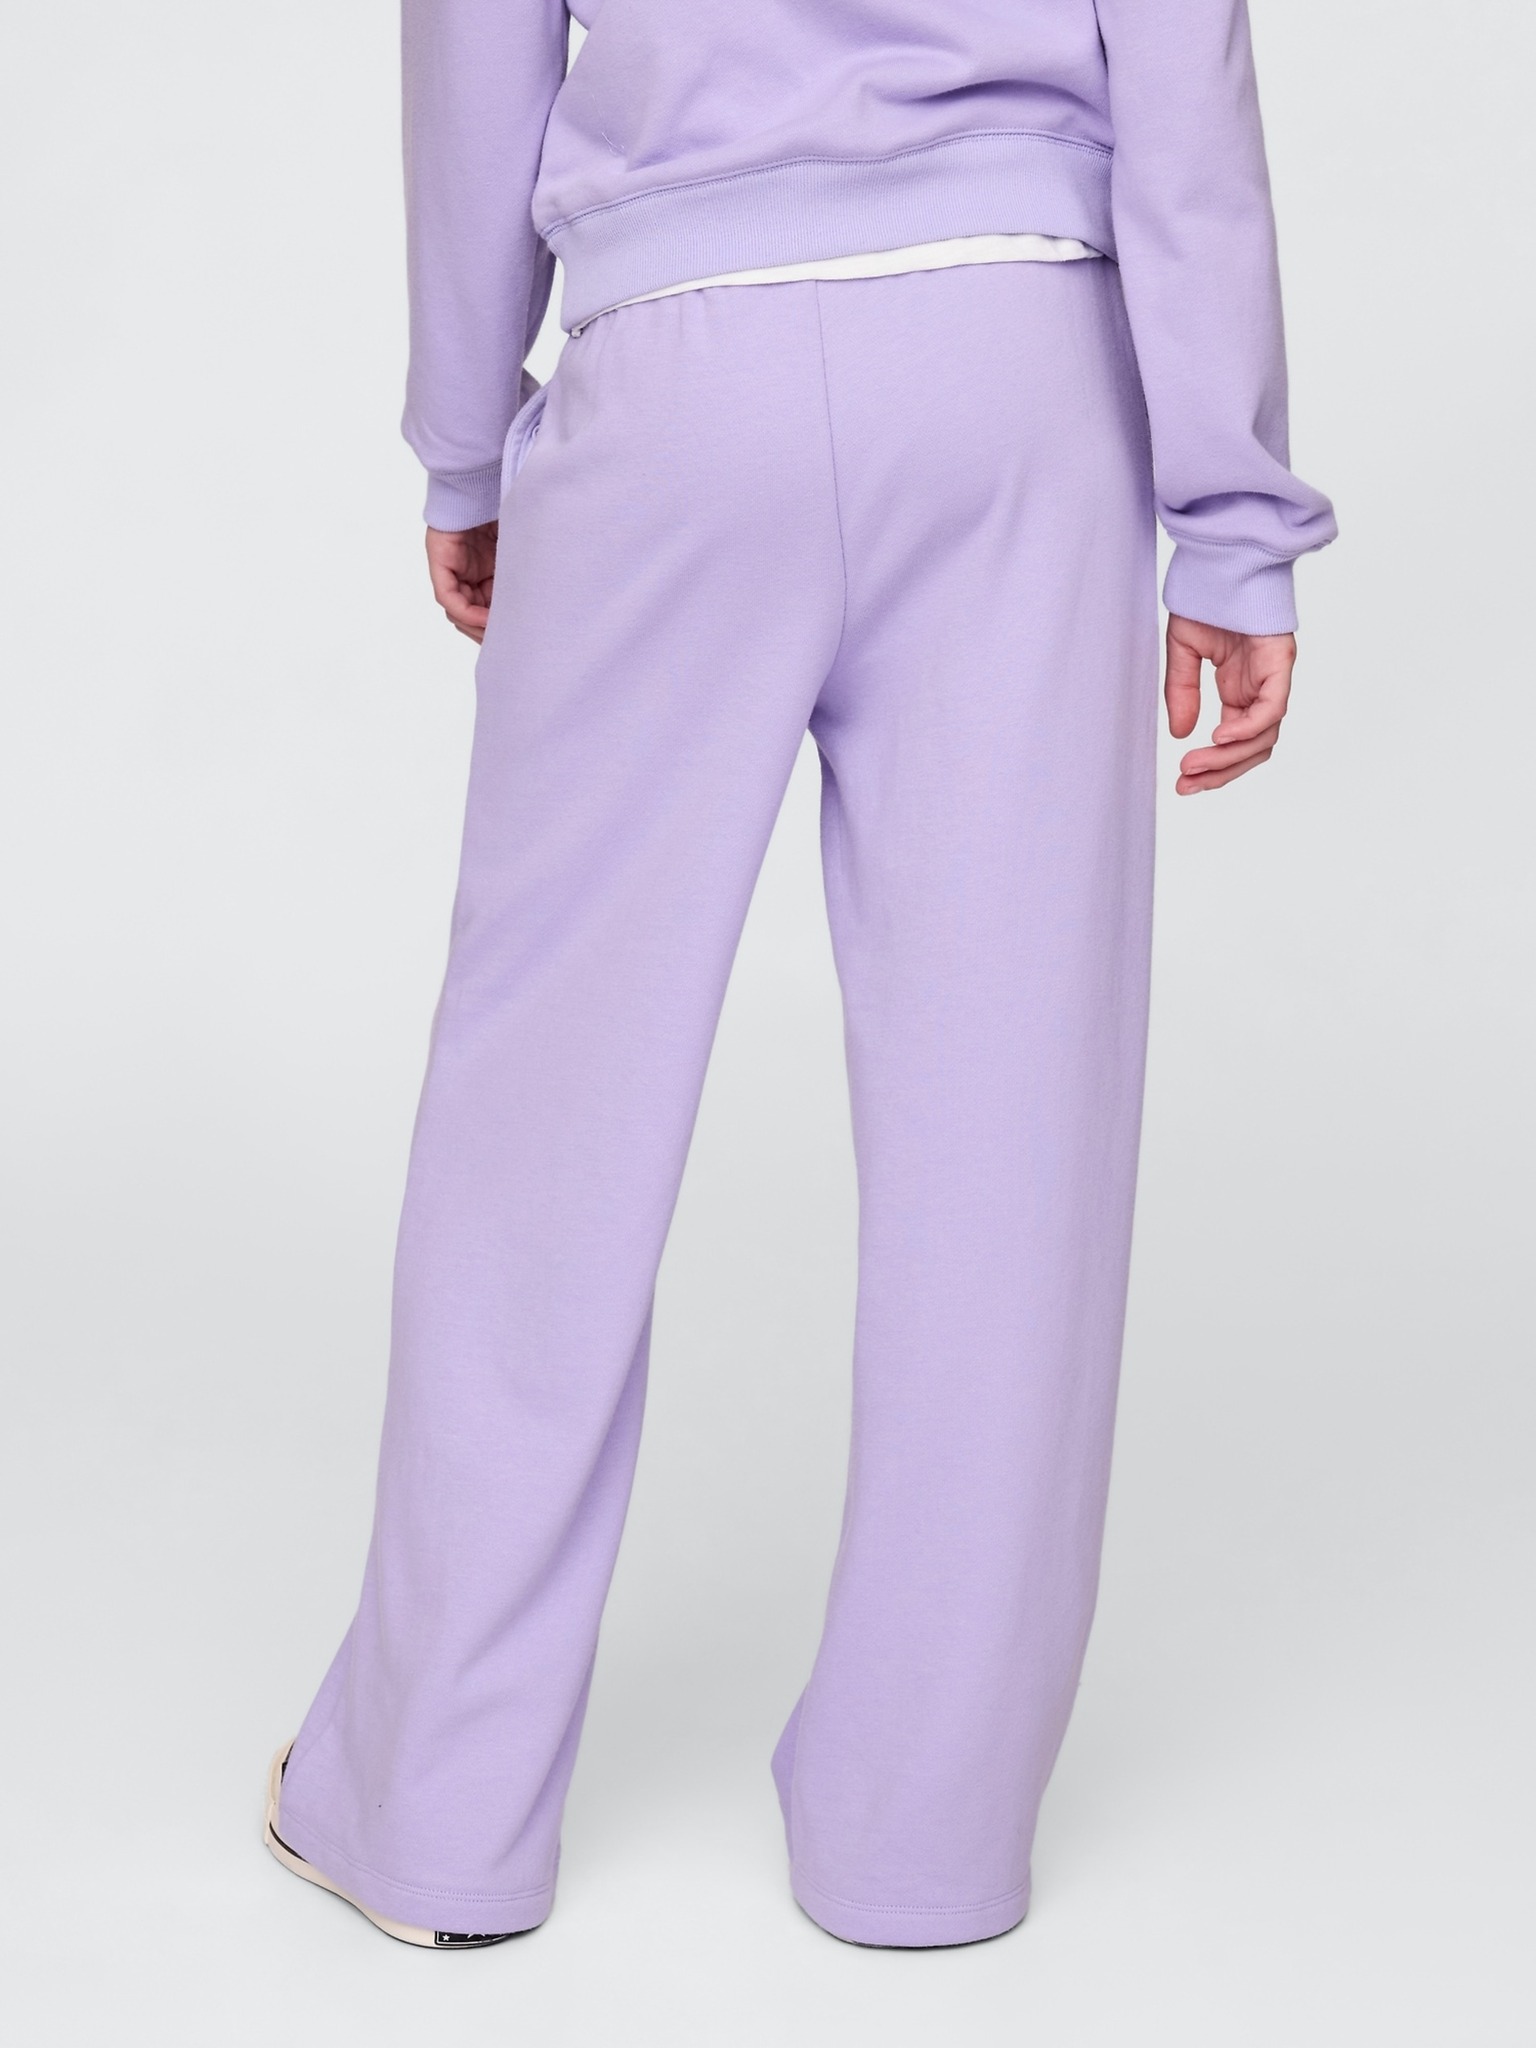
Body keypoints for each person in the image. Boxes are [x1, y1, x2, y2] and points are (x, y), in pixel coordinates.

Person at [264, 0, 1336, 1951]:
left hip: (684, 354)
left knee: (543, 1117)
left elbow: (475, 33)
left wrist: (463, 431)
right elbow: (1183, 48)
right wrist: (1234, 515)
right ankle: (922, 1839)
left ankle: (430, 1803)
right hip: (1021, 366)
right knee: (1009, 1124)